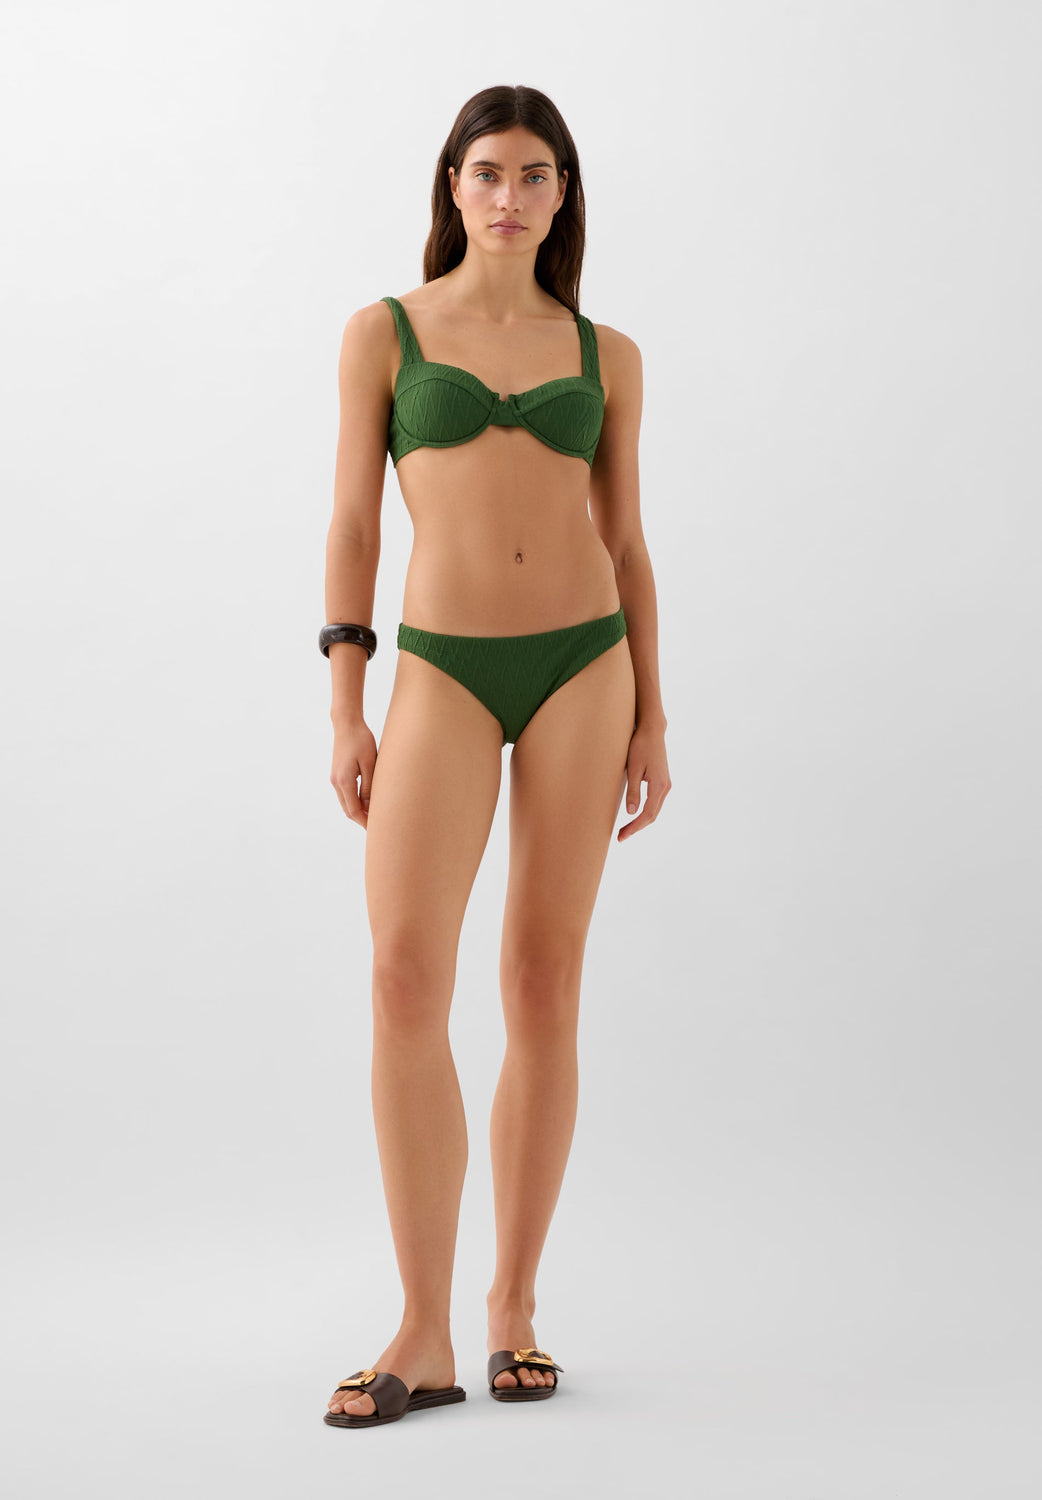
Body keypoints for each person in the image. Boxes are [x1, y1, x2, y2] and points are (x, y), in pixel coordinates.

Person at [321, 84, 671, 1429]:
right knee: (405, 976)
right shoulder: (387, 333)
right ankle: (421, 1332)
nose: (509, 196)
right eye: (486, 172)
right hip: (441, 667)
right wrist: (346, 701)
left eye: (534, 174)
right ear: (451, 186)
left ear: (562, 192)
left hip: (586, 663)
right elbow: (354, 524)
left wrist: (653, 714)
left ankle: (513, 1306)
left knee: (541, 980)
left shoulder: (605, 352)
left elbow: (626, 542)